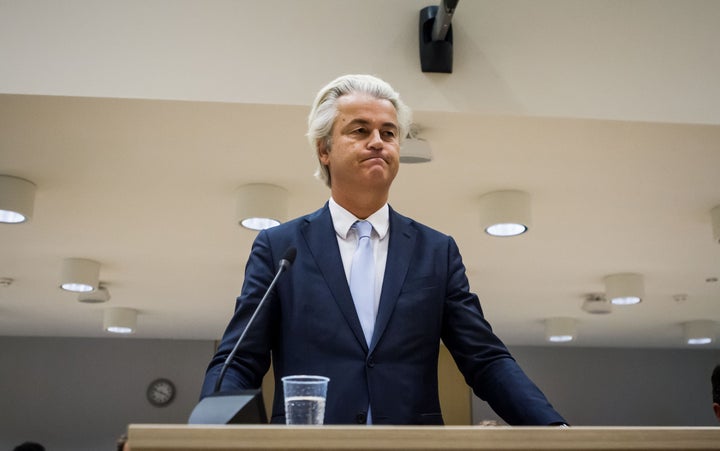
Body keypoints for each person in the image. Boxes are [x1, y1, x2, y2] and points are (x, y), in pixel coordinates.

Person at [201, 74, 566, 426]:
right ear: (324, 150)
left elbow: (484, 359)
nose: (377, 141)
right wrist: (206, 430)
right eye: (360, 130)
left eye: (388, 133)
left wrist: (554, 429)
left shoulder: (436, 251)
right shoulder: (280, 248)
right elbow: (239, 359)